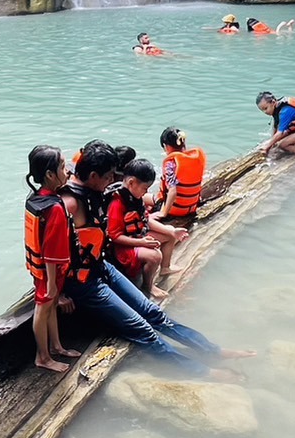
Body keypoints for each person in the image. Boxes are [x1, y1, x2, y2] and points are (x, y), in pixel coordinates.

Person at [60, 141, 252, 371]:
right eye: (109, 176)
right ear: (93, 175)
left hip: (101, 268)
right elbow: (45, 253)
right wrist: (59, 293)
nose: (112, 180)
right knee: (141, 329)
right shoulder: (68, 204)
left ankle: (212, 351)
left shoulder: (98, 193)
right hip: (82, 283)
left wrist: (168, 229)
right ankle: (200, 371)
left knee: (154, 313)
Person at [24, 146, 85, 372]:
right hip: (48, 271)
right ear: (49, 174)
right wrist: (51, 283)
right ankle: (43, 357)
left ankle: (57, 347)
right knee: (43, 309)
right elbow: (50, 250)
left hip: (41, 268)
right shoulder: (55, 208)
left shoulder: (37, 199)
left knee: (50, 308)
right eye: (61, 166)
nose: (67, 170)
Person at [107, 158, 185, 298]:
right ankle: (148, 286)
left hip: (137, 236)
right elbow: (114, 236)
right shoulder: (117, 203)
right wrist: (141, 243)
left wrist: (172, 231)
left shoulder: (135, 197)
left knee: (169, 235)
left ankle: (165, 268)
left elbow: (146, 219)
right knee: (155, 256)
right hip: (123, 247)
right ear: (131, 183)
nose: (146, 192)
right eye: (145, 188)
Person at [152, 127, 207, 221]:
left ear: (166, 146)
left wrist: (163, 213)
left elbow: (172, 191)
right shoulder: (195, 157)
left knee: (146, 197)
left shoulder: (170, 163)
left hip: (176, 210)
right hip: (192, 207)